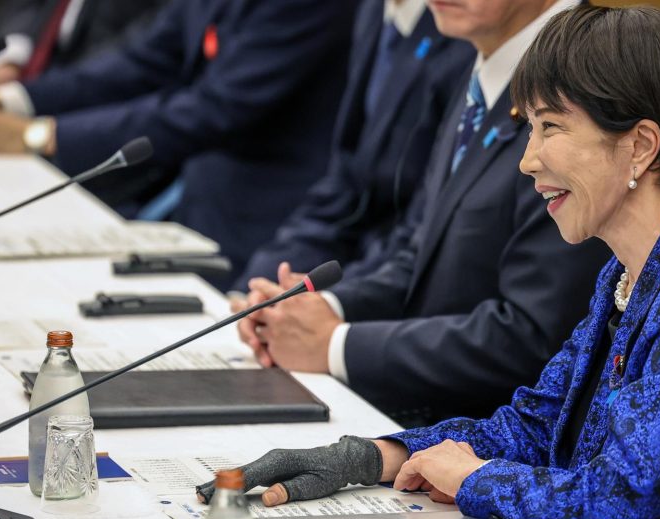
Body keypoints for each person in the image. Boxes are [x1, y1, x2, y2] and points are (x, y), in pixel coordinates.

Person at [202, 6, 660, 519]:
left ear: (641, 146)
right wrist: (373, 455)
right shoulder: (632, 273)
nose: (527, 160)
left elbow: (622, 510)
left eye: (551, 128)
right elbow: (535, 426)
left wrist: (474, 479)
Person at [239, 0, 610, 425]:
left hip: (505, 440)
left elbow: (534, 335)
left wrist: (335, 344)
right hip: (436, 421)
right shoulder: (488, 65)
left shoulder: (583, 78)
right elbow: (420, 248)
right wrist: (317, 310)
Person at [0, 0, 358, 285]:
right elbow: (139, 64)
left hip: (266, 230)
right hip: (196, 207)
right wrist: (7, 101)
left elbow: (213, 109)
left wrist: (37, 134)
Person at [232, 0, 473, 290]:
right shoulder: (374, 11)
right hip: (359, 258)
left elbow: (418, 228)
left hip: (399, 273)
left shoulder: (461, 30)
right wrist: (260, 283)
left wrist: (335, 302)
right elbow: (346, 178)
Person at [0, 0, 169, 86]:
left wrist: (33, 95)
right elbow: (27, 6)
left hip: (90, 90)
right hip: (27, 65)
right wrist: (11, 59)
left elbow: (132, 50)